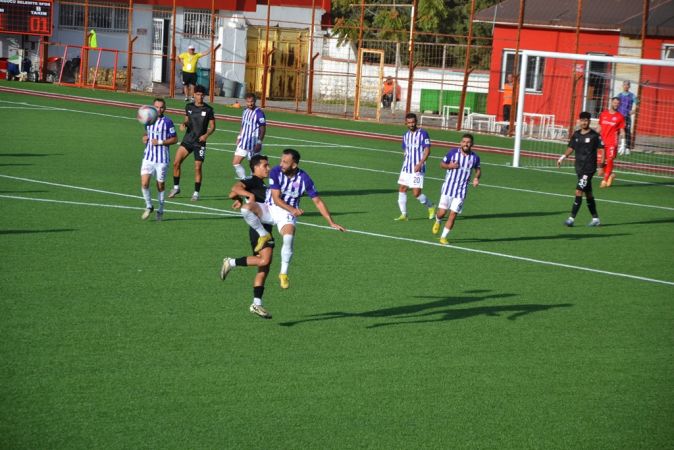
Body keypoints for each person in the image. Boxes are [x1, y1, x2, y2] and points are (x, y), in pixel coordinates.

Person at [238, 148, 346, 290]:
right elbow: (276, 199)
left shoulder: (305, 179)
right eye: (281, 160)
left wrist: (331, 222)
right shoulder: (276, 172)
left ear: (294, 165)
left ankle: (283, 274)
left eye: (285, 162)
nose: (281, 164)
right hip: (270, 208)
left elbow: (318, 201)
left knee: (288, 238)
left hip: (286, 215)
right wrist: (294, 210)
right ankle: (263, 235)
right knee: (245, 209)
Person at [220, 154, 275, 319]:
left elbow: (232, 194)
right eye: (265, 165)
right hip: (259, 229)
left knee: (264, 266)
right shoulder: (253, 180)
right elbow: (235, 187)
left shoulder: (261, 183)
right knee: (264, 261)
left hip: (265, 226)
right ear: (256, 167)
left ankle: (257, 304)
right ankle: (230, 262)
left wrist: (238, 198)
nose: (268, 168)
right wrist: (248, 197)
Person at [168, 85, 216, 201]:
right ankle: (176, 187)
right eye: (197, 94)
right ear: (194, 95)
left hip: (199, 143)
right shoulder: (188, 106)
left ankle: (196, 193)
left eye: (201, 95)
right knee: (176, 163)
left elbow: (213, 127)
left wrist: (206, 135)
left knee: (198, 167)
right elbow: (187, 120)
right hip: (188, 140)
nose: (199, 97)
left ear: (204, 96)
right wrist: (184, 124)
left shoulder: (208, 109)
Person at [557, 111, 605, 227]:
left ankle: (571, 219)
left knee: (578, 190)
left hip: (589, 169)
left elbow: (602, 150)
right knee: (588, 193)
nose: (584, 122)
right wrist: (563, 157)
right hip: (579, 168)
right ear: (579, 121)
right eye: (582, 120)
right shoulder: (576, 134)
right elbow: (571, 147)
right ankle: (595, 219)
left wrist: (601, 166)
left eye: (586, 120)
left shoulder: (594, 135)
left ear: (589, 121)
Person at [432, 133, 481, 244]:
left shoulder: (475, 157)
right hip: (448, 188)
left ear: (472, 144)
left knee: (453, 214)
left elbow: (478, 169)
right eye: (464, 142)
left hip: (461, 191)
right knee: (442, 213)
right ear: (460, 143)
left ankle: (443, 237)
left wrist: (476, 178)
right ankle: (438, 220)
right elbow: (442, 164)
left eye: (468, 142)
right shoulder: (453, 153)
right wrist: (450, 166)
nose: (466, 144)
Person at [140, 98, 178, 221]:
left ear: (165, 108)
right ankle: (149, 206)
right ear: (153, 107)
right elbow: (146, 134)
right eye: (157, 107)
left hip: (162, 159)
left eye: (161, 107)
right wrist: (144, 138)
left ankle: (161, 209)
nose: (159, 109)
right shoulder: (148, 119)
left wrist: (160, 142)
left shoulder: (168, 122)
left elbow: (175, 139)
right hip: (148, 157)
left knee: (160, 185)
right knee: (144, 183)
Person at [395, 113, 435, 221]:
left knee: (416, 193)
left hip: (418, 167)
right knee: (402, 188)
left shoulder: (423, 134)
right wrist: (405, 156)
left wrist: (420, 163)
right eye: (409, 123)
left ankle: (431, 206)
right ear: (406, 123)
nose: (411, 124)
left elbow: (427, 150)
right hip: (406, 167)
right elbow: (405, 148)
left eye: (413, 122)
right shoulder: (405, 135)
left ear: (416, 122)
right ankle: (404, 214)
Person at [232, 93, 266, 179]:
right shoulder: (245, 111)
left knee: (254, 165)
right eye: (248, 102)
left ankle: (254, 183)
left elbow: (263, 129)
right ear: (246, 102)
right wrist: (239, 137)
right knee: (236, 162)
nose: (250, 104)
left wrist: (259, 142)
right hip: (243, 141)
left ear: (255, 101)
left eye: (252, 101)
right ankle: (244, 179)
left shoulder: (259, 113)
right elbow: (243, 125)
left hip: (254, 143)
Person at [597, 97, 626, 188]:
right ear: (611, 102)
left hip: (612, 143)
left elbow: (622, 131)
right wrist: (592, 136)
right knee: (600, 164)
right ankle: (610, 175)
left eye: (618, 103)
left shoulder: (620, 117)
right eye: (614, 102)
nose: (616, 104)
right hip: (601, 142)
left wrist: (623, 143)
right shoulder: (603, 114)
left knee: (609, 160)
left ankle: (604, 181)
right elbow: (599, 127)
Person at [616, 80, 637, 153]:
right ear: (622, 86)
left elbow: (638, 103)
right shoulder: (619, 95)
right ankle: (618, 146)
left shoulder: (632, 95)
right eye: (624, 85)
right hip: (619, 116)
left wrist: (634, 110)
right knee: (617, 131)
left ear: (629, 86)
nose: (626, 86)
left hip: (627, 116)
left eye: (627, 85)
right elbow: (615, 104)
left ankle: (627, 148)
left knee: (627, 131)